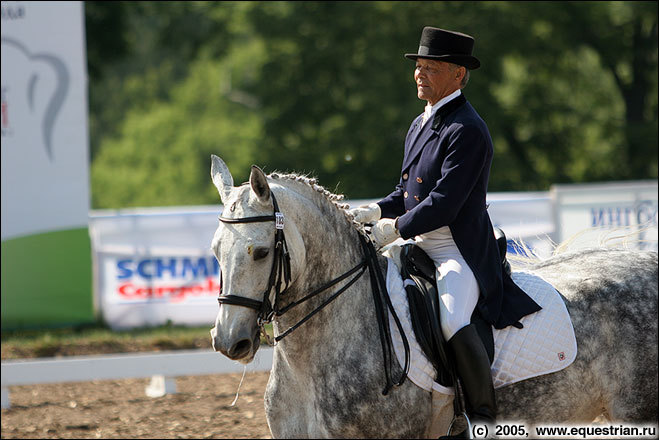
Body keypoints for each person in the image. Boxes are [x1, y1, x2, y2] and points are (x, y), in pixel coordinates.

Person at [349, 26, 541, 430]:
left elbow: (444, 202)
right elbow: (406, 191)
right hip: (418, 244)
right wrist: (374, 210)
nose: (420, 75)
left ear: (458, 74)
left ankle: (482, 417)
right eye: (418, 67)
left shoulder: (467, 129)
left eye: (431, 68)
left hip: (458, 249)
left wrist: (394, 228)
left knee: (453, 319)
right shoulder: (421, 123)